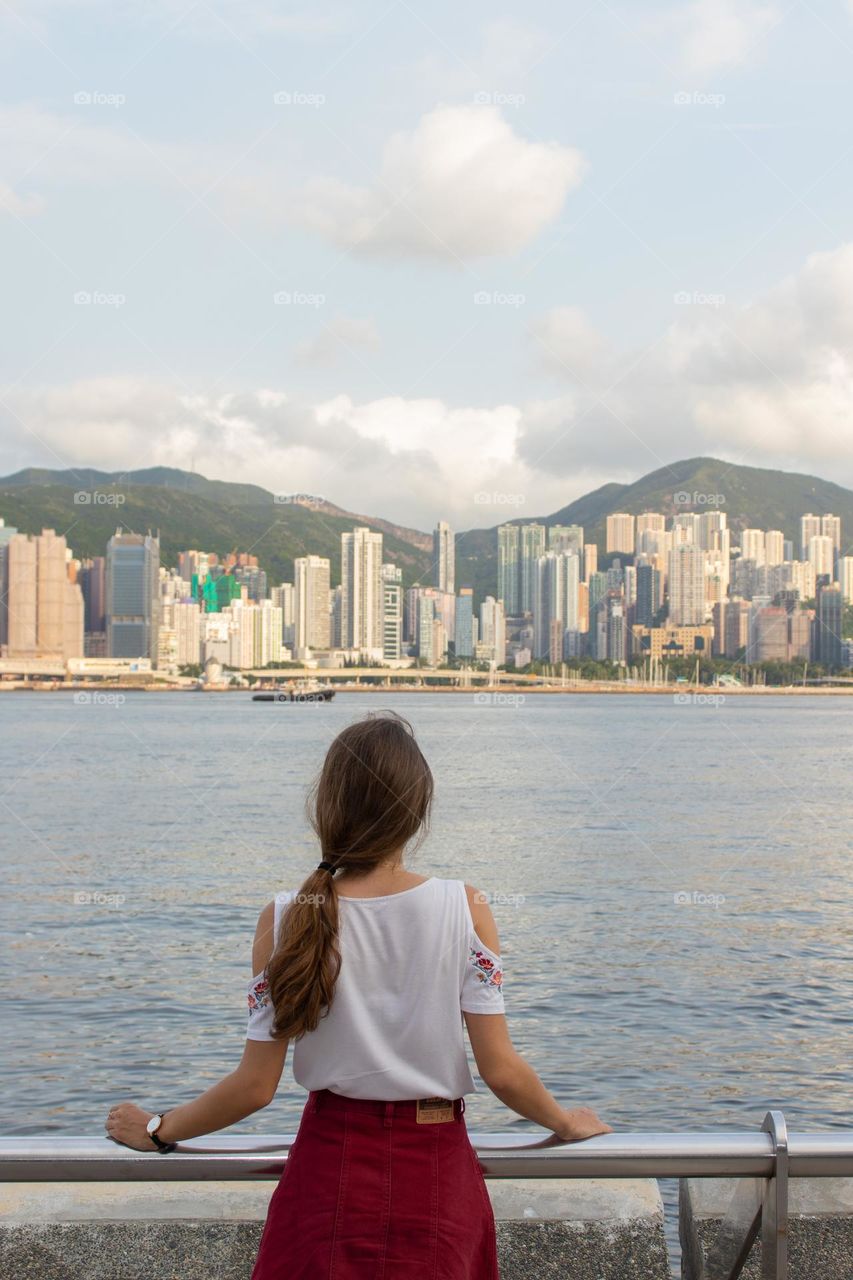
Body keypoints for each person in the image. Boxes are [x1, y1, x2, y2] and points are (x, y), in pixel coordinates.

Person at [105, 710, 611, 1278]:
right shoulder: (465, 907)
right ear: (418, 812)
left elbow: (253, 1087)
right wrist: (564, 1123)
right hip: (437, 1173)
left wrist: (158, 1130)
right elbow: (502, 1071)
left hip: (326, 1173)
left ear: (328, 806)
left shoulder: (285, 917)